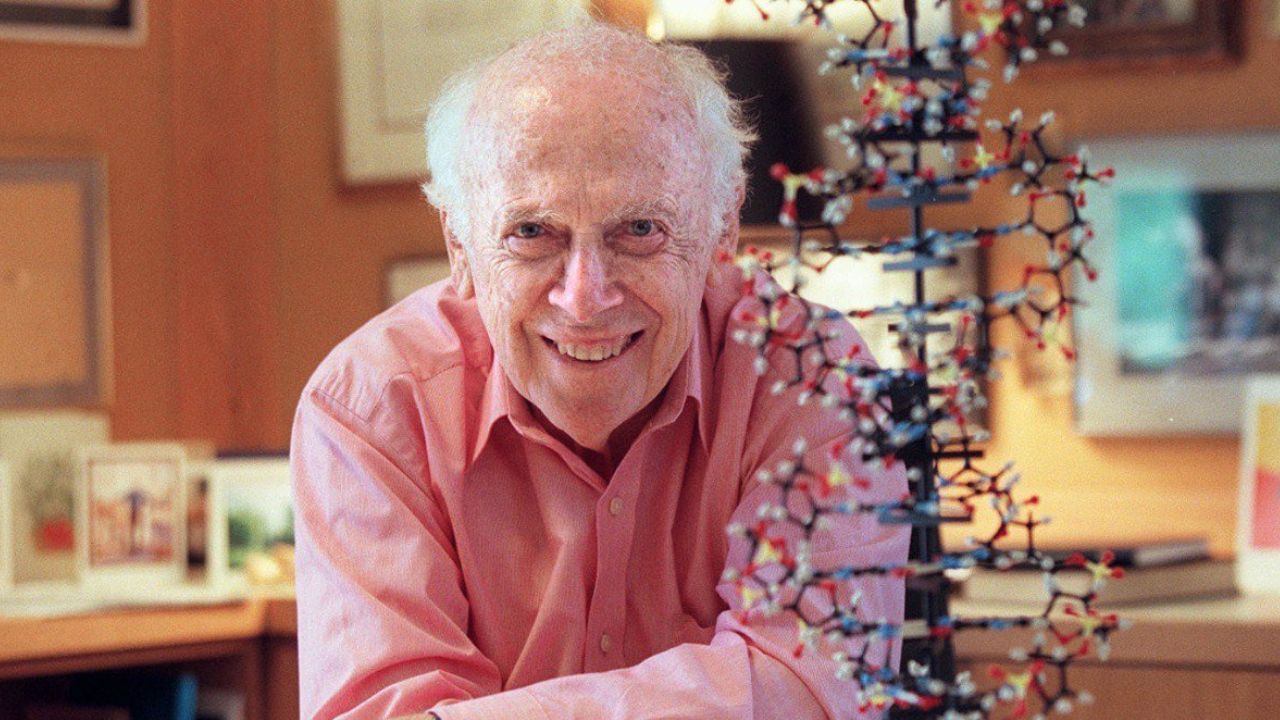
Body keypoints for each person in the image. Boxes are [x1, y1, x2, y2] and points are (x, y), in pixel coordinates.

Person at [291, 19, 908, 720]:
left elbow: (814, 690)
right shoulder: (371, 410)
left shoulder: (811, 376)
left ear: (723, 228)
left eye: (640, 230)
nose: (584, 299)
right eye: (531, 232)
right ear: (459, 244)